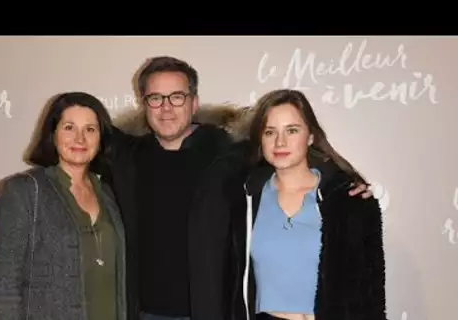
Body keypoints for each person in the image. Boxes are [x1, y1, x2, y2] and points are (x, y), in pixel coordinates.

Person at [106, 56, 374, 320]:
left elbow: (288, 160)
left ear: (194, 102)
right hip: (146, 313)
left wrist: (340, 186)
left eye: (177, 96)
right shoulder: (127, 159)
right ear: (144, 104)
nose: (166, 107)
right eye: (156, 98)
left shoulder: (230, 154)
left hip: (215, 310)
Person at [234, 89, 386, 320]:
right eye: (270, 132)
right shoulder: (243, 198)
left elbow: (370, 292)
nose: (280, 141)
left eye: (292, 130)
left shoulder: (347, 200)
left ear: (311, 136)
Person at [0, 92, 127, 320]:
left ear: (101, 138)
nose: (80, 139)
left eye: (90, 129)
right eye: (69, 128)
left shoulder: (108, 192)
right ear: (52, 134)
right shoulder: (24, 190)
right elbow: (5, 284)